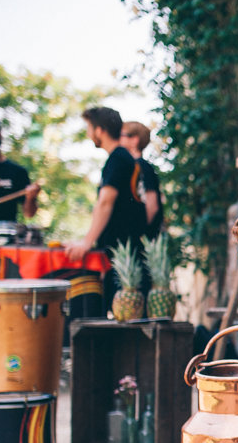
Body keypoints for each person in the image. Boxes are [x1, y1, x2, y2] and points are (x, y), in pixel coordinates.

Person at [66, 106, 147, 309]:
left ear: (100, 130)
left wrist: (86, 243)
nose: (88, 133)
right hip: (121, 250)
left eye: (89, 128)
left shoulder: (118, 159)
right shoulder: (121, 158)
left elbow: (105, 202)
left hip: (122, 252)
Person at [0, 112, 40, 221]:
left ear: (1, 133)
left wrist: (31, 198)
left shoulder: (18, 172)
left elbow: (29, 213)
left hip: (8, 236)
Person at [120, 121, 164, 239]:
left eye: (121, 135)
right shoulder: (133, 167)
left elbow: (152, 205)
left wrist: (140, 233)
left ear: (134, 140)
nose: (118, 139)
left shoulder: (142, 167)